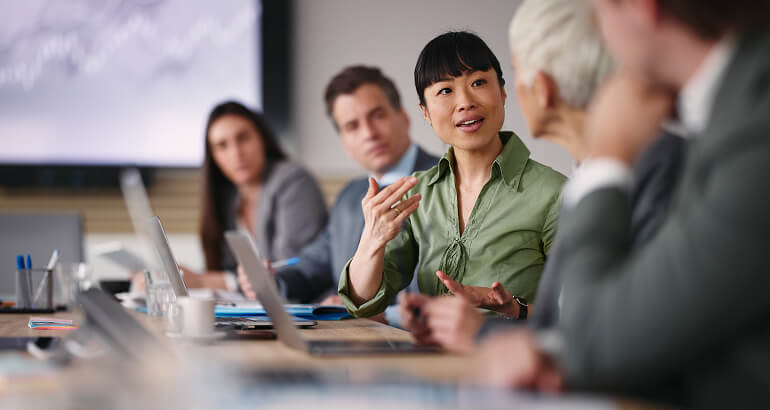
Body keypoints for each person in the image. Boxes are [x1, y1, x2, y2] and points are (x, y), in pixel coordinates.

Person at [473, 0, 770, 410]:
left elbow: (600, 335)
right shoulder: (728, 108)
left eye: (598, 12)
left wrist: (607, 159)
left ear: (638, 6)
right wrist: (556, 352)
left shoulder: (751, 128)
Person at [411, 0, 684, 354]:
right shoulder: (588, 175)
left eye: (511, 72)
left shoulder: (644, 169)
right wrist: (509, 311)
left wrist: (481, 333)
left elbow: (617, 335)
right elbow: (566, 322)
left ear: (540, 87)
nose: (468, 101)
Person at [338, 32, 566, 333]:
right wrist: (372, 240)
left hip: (515, 366)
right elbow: (365, 302)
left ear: (502, 91)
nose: (465, 102)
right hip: (432, 366)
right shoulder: (417, 191)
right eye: (445, 91)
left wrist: (515, 309)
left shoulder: (554, 192)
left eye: (478, 83)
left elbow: (585, 311)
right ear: (425, 113)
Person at [239, 66, 439, 316]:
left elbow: (438, 287)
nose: (369, 134)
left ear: (404, 117)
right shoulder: (350, 196)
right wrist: (272, 281)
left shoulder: (446, 180)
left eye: (378, 116)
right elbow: (314, 265)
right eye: (352, 126)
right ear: (343, 141)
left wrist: (364, 310)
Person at [184, 100, 327, 290]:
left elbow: (290, 268)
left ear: (262, 138)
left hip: (306, 306)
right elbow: (228, 268)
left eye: (243, 138)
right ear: (213, 157)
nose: (236, 153)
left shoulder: (294, 181)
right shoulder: (230, 198)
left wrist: (205, 281)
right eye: (222, 145)